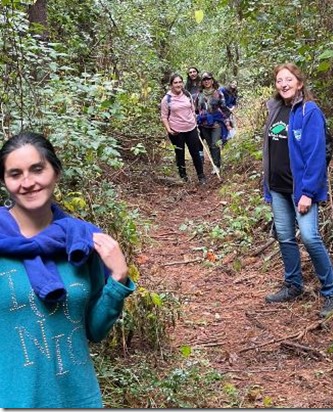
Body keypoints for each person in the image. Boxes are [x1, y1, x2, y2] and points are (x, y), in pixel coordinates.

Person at [0, 131, 136, 408]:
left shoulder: (82, 242)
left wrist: (118, 280)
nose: (28, 182)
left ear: (56, 172)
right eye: (15, 174)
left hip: (77, 398)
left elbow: (94, 330)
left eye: (37, 169)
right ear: (4, 182)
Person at [262, 62, 333, 318]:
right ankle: (293, 284)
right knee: (284, 236)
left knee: (309, 236)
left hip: (301, 190)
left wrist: (308, 192)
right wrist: (267, 187)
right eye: (279, 81)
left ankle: (332, 291)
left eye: (288, 79)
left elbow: (316, 155)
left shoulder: (309, 111)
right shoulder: (274, 109)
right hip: (277, 187)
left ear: (299, 82)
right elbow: (270, 150)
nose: (283, 84)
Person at [160, 73, 206, 184]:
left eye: (180, 82)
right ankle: (183, 177)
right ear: (171, 84)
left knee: (195, 153)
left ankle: (201, 176)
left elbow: (192, 109)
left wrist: (195, 123)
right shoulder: (167, 99)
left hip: (191, 128)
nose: (178, 84)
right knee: (179, 154)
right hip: (176, 131)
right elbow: (164, 116)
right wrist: (169, 129)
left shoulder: (187, 94)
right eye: (175, 82)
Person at [195, 72, 231, 172]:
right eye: (204, 80)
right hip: (204, 125)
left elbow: (224, 109)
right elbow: (196, 110)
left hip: (216, 123)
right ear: (202, 82)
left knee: (215, 144)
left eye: (208, 79)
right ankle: (215, 163)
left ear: (212, 80)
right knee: (210, 145)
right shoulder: (199, 95)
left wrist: (227, 123)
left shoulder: (218, 93)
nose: (207, 81)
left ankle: (217, 166)